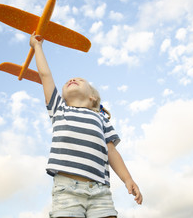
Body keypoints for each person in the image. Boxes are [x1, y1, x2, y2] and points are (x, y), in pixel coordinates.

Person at [30, 32, 142, 218]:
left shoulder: (101, 119)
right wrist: (37, 47)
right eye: (68, 81)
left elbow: (112, 152)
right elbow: (45, 75)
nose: (72, 80)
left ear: (93, 97)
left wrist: (127, 179)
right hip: (67, 189)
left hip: (100, 191)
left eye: (80, 81)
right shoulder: (59, 110)